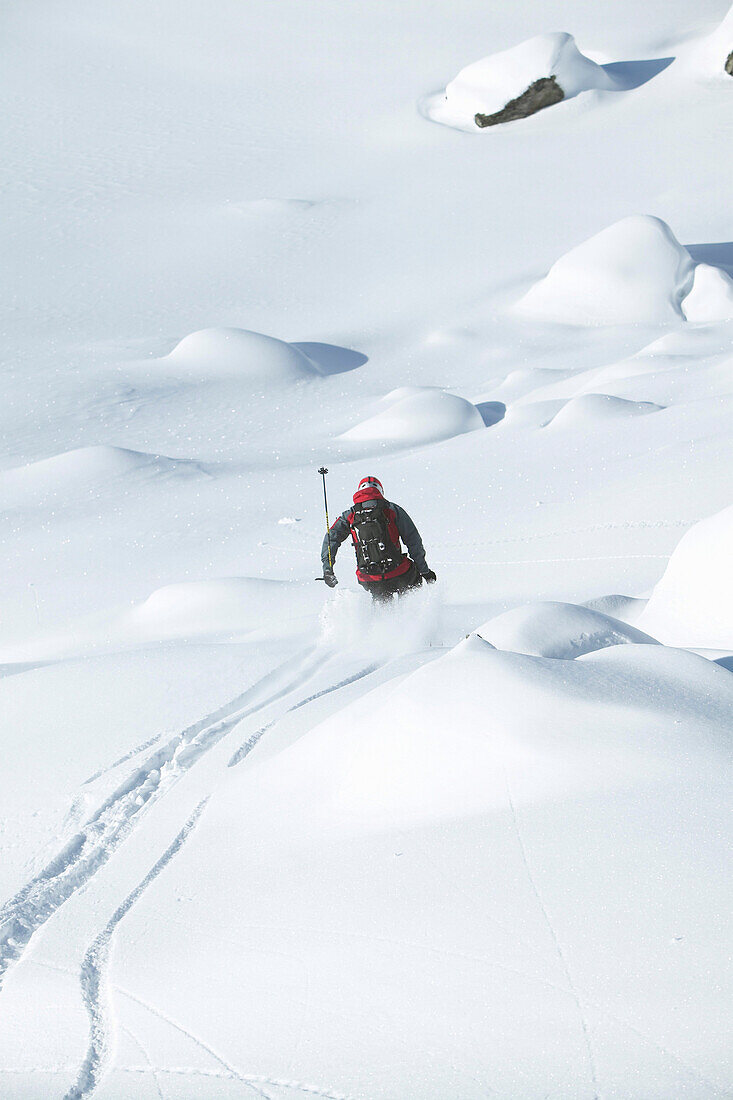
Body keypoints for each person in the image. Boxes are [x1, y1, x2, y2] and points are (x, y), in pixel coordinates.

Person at [320, 475, 436, 602]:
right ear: (381, 491)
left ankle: (380, 618)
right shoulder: (392, 509)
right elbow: (413, 541)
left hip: (368, 576)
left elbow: (331, 540)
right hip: (398, 572)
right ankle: (411, 612)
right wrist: (424, 571)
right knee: (411, 580)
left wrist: (328, 568)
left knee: (381, 599)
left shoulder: (350, 515)